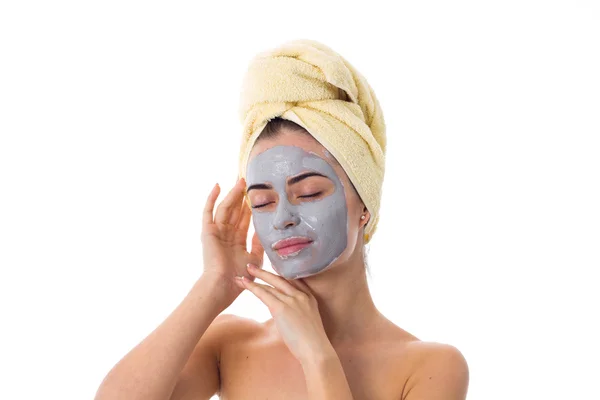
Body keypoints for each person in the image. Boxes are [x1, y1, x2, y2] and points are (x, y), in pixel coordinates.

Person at [95, 40, 469, 400]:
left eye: (308, 194)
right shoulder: (230, 345)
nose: (282, 219)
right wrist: (214, 285)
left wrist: (317, 356)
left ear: (364, 205)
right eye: (261, 201)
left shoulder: (429, 366)